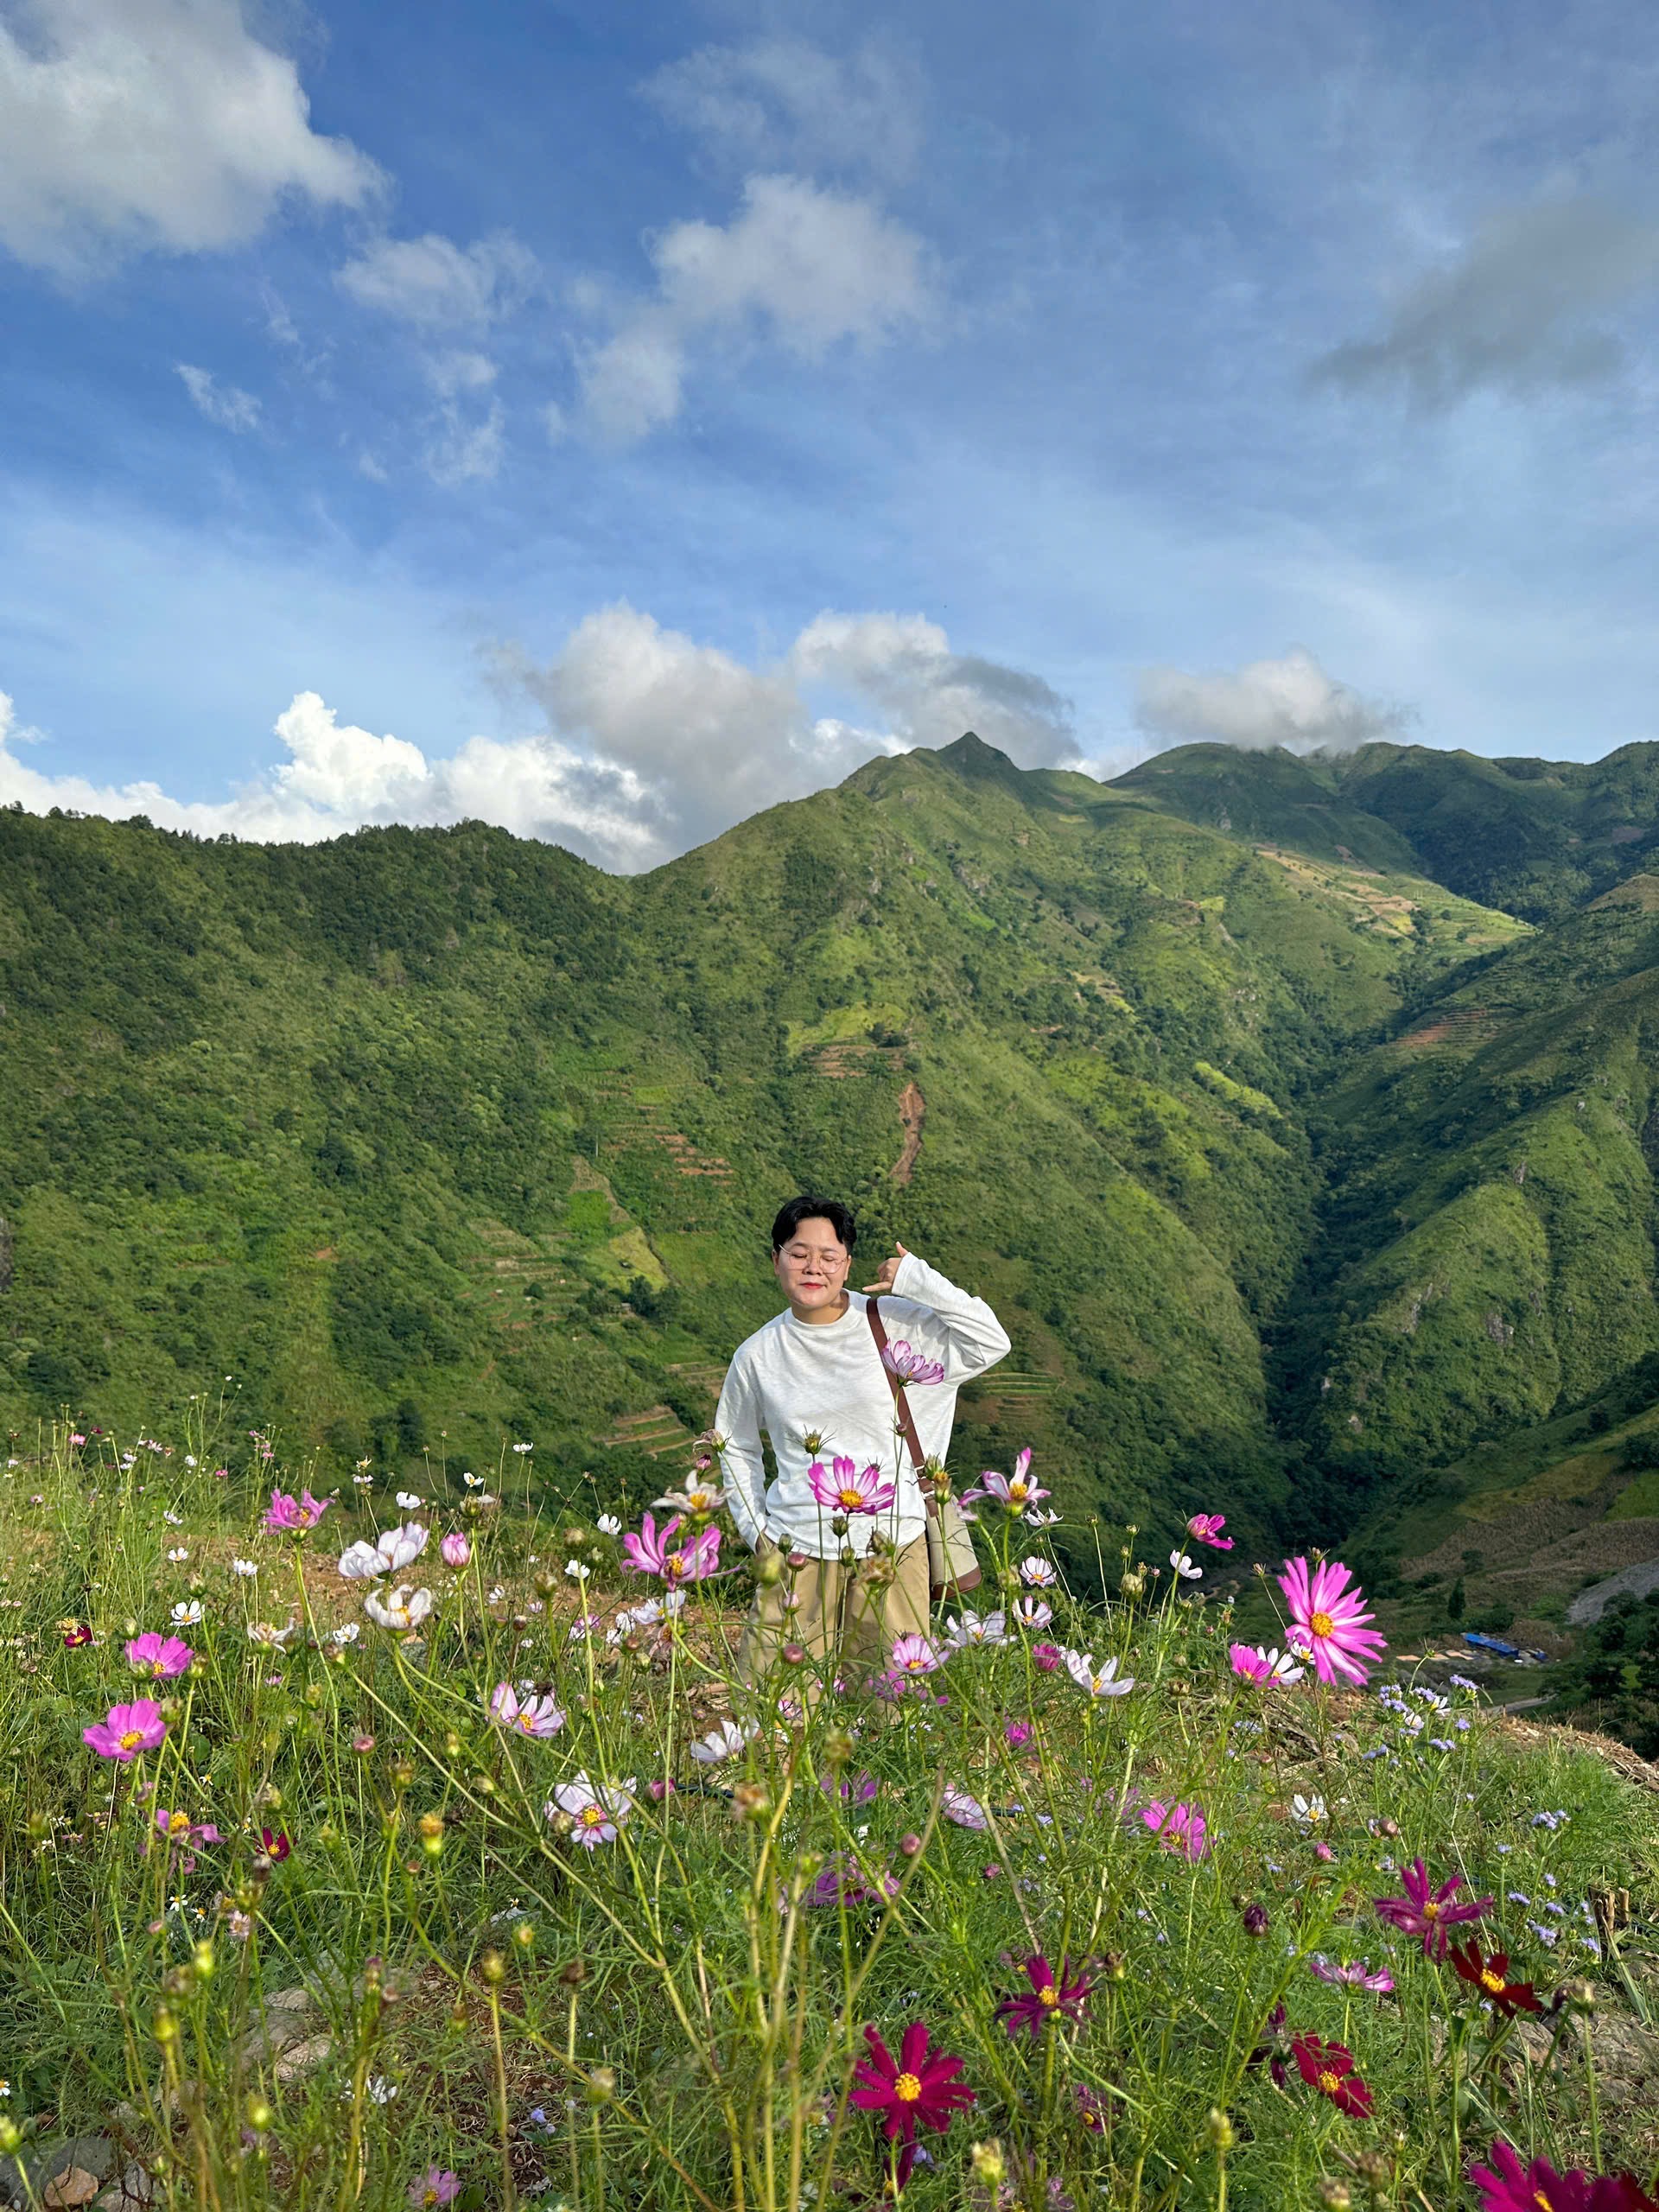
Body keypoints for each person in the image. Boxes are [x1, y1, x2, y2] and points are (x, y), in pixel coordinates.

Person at [715, 1194, 1010, 1690]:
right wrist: (757, 1533)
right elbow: (735, 1444)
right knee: (772, 1709)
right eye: (798, 1253)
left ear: (848, 1263)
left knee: (887, 1712)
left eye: (829, 1256)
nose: (814, 1267)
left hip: (890, 1551)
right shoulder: (758, 1355)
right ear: (775, 1260)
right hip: (796, 1553)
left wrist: (917, 1280)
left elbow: (990, 1341)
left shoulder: (896, 1324)